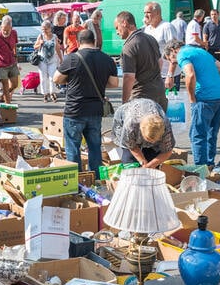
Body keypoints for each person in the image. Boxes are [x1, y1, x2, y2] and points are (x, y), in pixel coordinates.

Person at [53, 29, 118, 172]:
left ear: (78, 42)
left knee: (73, 148)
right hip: (95, 110)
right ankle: (96, 179)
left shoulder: (72, 58)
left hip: (75, 110)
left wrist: (73, 79)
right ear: (94, 41)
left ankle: (77, 182)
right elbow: (114, 83)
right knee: (95, 147)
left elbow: (56, 78)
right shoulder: (107, 59)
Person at [164, 40, 220, 169]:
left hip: (204, 98)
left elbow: (190, 74)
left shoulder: (182, 54)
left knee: (197, 134)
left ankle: (200, 169)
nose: (174, 63)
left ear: (173, 51)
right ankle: (210, 164)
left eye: (172, 60)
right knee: (211, 132)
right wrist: (219, 86)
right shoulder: (200, 51)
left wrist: (192, 98)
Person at [116, 11, 166, 109]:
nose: (117, 32)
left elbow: (129, 77)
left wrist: (124, 103)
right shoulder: (151, 38)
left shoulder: (129, 46)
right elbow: (160, 62)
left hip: (142, 98)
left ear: (124, 23)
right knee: (157, 124)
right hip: (159, 93)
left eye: (117, 28)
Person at [112, 98, 175, 168]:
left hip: (150, 108)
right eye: (149, 139)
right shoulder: (131, 125)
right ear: (141, 130)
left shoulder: (165, 126)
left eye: (155, 140)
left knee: (152, 158)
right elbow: (132, 146)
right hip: (124, 117)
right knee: (129, 162)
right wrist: (143, 161)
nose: (152, 142)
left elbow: (167, 151)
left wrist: (151, 164)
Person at [143, 2, 180, 90]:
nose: (145, 15)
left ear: (158, 13)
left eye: (148, 12)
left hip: (167, 76)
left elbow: (175, 52)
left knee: (168, 103)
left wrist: (170, 75)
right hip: (153, 76)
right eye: (144, 13)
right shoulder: (147, 29)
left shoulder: (167, 27)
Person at [0, 15, 20, 103]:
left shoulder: (14, 33)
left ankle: (3, 95)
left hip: (12, 62)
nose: (5, 32)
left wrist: (15, 54)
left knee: (14, 85)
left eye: (7, 30)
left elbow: (15, 45)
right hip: (1, 64)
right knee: (5, 86)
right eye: (4, 29)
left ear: (11, 28)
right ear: (1, 27)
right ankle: (8, 106)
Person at [34, 20, 62, 102]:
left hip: (52, 60)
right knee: (43, 78)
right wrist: (40, 43)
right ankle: (45, 94)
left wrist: (61, 59)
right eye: (42, 29)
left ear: (50, 28)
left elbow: (57, 48)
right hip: (42, 60)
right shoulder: (41, 36)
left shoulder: (54, 37)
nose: (44, 30)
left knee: (52, 77)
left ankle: (52, 92)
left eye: (45, 29)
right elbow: (35, 47)